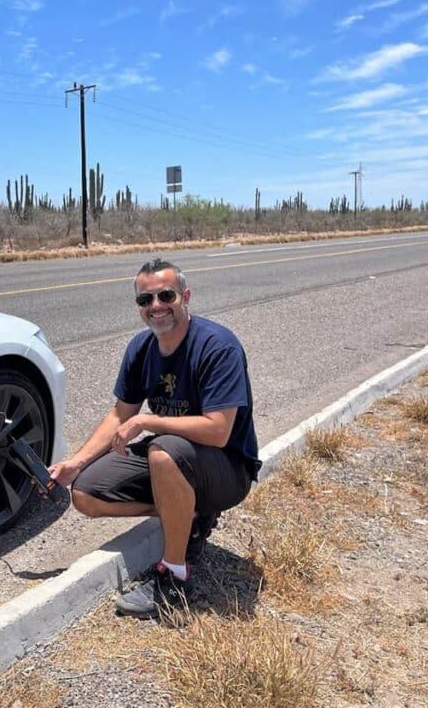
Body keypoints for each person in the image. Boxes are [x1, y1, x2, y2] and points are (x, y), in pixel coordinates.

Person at [48, 257, 260, 618]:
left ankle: (175, 578)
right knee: (84, 493)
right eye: (146, 300)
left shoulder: (217, 347)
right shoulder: (141, 349)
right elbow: (119, 413)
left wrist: (151, 421)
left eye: (166, 295)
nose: (156, 306)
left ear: (185, 296)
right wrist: (76, 463)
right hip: (175, 460)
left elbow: (218, 430)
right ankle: (189, 513)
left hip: (227, 467)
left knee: (162, 451)